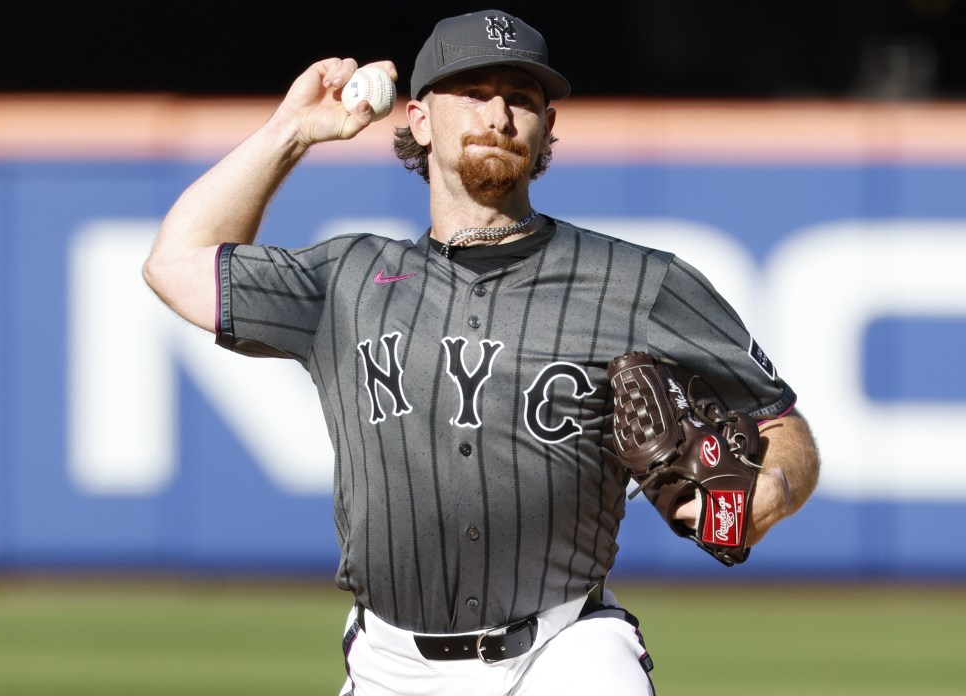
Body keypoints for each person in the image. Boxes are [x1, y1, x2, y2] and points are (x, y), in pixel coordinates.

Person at [143, 9, 820, 696]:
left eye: (521, 99)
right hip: (389, 665)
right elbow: (177, 265)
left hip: (568, 651)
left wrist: (770, 493)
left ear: (546, 130)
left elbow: (780, 423)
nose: (497, 113)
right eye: (472, 92)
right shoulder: (343, 279)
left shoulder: (641, 282)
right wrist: (291, 132)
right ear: (418, 120)